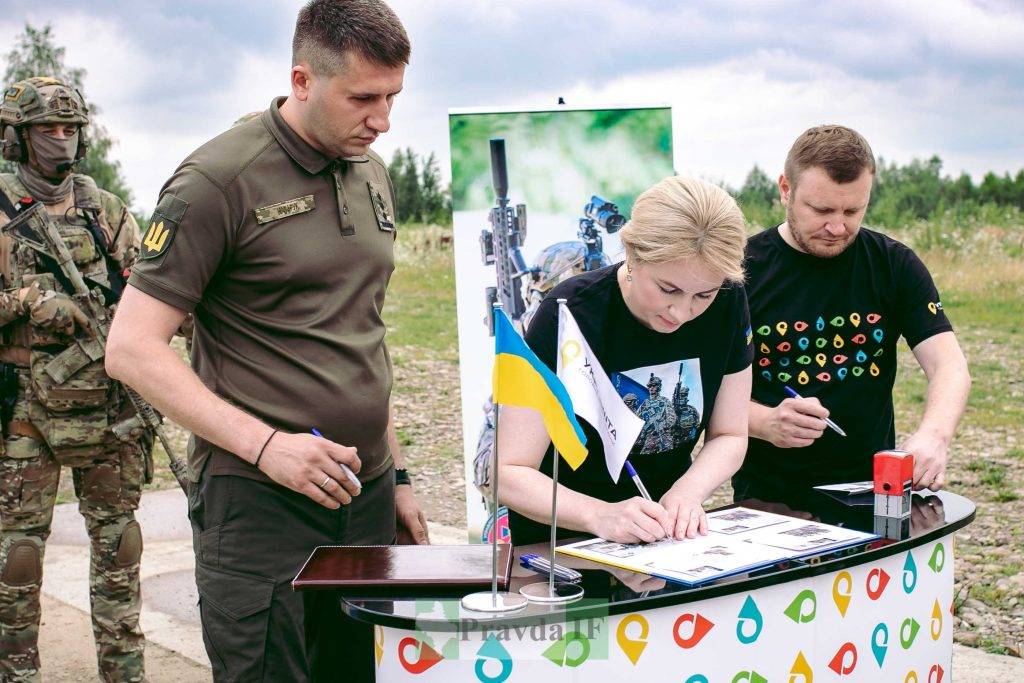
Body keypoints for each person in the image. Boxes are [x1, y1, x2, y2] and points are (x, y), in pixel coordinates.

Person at [104, 1, 428, 680]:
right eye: (363, 98)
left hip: (362, 494)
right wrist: (268, 446)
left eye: (394, 96)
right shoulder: (218, 180)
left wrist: (393, 474)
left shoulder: (370, 173)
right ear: (303, 81)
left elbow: (360, 333)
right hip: (259, 500)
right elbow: (132, 346)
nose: (383, 120)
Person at [500, 176, 754, 546]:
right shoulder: (569, 313)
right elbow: (509, 471)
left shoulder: (729, 300)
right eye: (668, 289)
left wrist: (687, 493)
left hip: (664, 538)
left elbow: (730, 435)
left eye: (704, 295)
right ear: (632, 255)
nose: (682, 312)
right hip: (565, 544)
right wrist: (600, 515)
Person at [0, 76, 149, 682]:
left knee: (120, 552)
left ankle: (125, 673)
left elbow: (150, 291)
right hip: (24, 416)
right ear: (18, 136)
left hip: (108, 411)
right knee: (17, 560)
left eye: (69, 129)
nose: (60, 140)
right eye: (45, 130)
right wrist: (28, 302)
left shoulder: (104, 209)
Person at [735, 124, 971, 502]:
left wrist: (934, 434)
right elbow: (707, 390)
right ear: (785, 190)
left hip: (874, 488)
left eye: (853, 210)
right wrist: (763, 422)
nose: (837, 226)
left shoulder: (893, 265)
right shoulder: (741, 272)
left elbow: (949, 366)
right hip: (769, 497)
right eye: (821, 209)